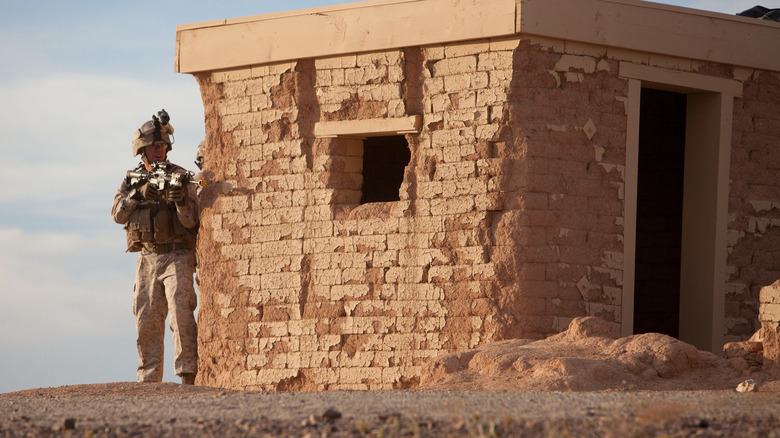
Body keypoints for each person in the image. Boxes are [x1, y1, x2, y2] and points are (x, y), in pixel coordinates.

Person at [111, 110, 199, 385]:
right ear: (142, 151)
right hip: (148, 258)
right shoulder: (131, 180)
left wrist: (180, 201)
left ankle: (187, 376)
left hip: (177, 256)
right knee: (146, 320)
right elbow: (117, 215)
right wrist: (138, 195)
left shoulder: (180, 176)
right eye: (153, 146)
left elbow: (191, 222)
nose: (159, 150)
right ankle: (148, 383)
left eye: (162, 145)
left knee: (181, 315)